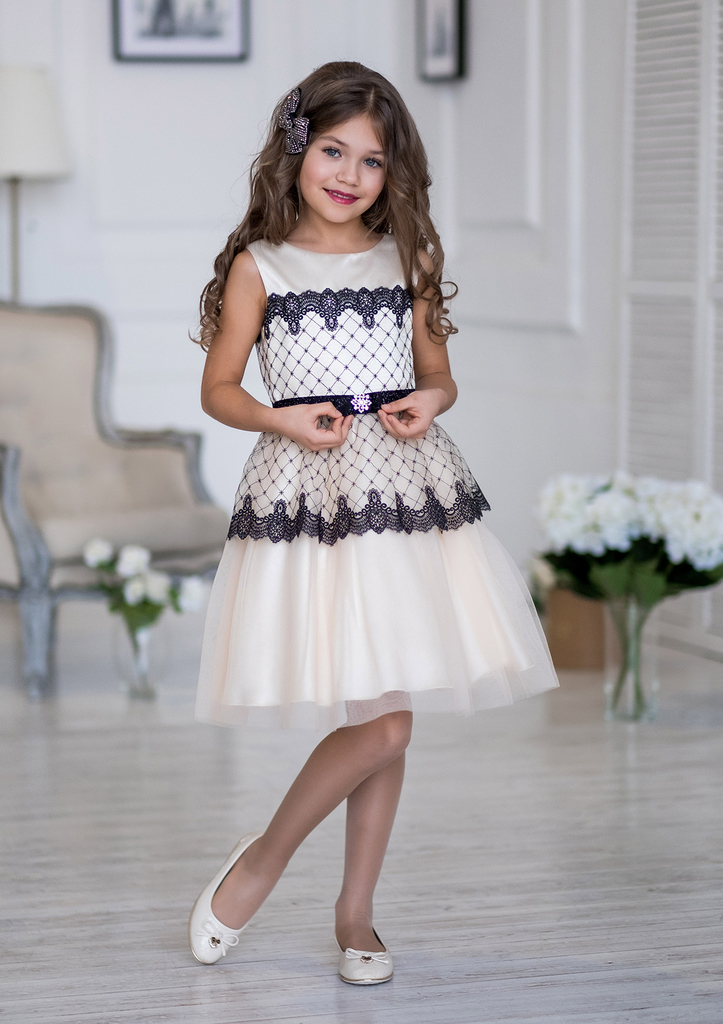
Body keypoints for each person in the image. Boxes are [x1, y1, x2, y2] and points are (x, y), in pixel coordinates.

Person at [188, 61, 558, 985]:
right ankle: (261, 863)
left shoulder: (408, 259)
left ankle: (354, 911)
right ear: (295, 151)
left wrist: (430, 401)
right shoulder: (260, 265)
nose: (349, 174)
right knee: (385, 725)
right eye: (332, 150)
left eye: (372, 160)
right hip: (308, 497)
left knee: (387, 716)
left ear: (394, 173)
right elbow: (219, 389)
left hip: (403, 492)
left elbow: (438, 375)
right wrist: (280, 418)